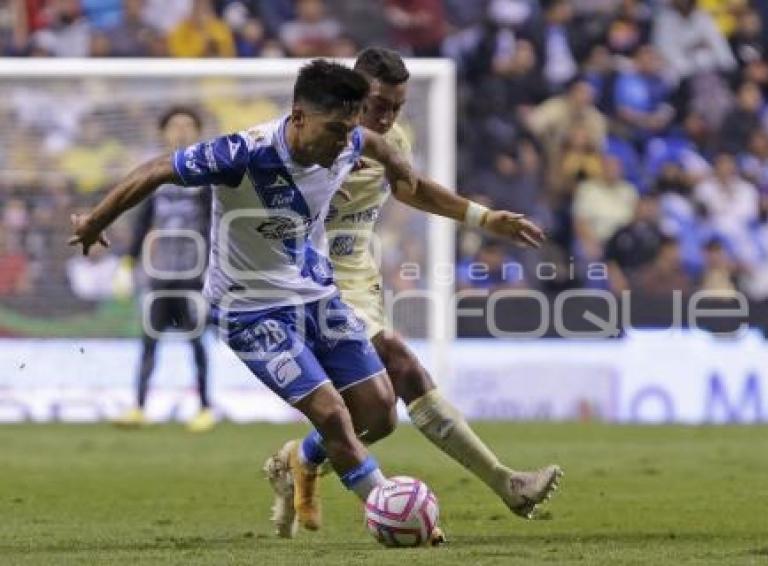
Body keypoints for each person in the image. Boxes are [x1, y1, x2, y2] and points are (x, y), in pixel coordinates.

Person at [68, 60, 426, 541]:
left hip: (316, 296)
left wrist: (399, 163)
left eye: (350, 129)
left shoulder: (349, 141)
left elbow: (374, 142)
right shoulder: (243, 152)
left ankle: (300, 460)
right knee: (332, 414)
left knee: (379, 413)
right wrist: (95, 220)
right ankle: (391, 513)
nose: (345, 142)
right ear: (299, 117)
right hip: (249, 309)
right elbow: (157, 170)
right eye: (337, 130)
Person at [284, 48, 561, 534]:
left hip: (356, 283)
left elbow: (409, 189)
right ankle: (506, 483)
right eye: (377, 105)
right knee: (402, 366)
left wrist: (482, 217)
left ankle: (301, 458)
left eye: (396, 106)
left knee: (379, 412)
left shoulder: (393, 140)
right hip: (304, 281)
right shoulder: (313, 140)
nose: (387, 117)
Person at [112, 107, 214, 432]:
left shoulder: (207, 176)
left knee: (197, 342)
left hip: (194, 275)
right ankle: (139, 406)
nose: (181, 132)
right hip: (159, 275)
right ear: (163, 133)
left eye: (187, 126)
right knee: (149, 341)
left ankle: (205, 408)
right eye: (174, 126)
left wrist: (217, 268)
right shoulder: (154, 174)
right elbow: (142, 222)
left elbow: (216, 224)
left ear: (198, 132)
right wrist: (127, 263)